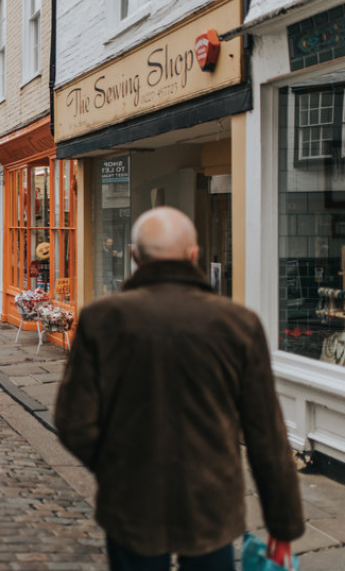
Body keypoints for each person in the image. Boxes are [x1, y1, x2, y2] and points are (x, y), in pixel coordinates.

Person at [54, 207, 304, 571]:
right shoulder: (237, 323)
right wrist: (283, 523)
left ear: (135, 256)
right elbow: (267, 435)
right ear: (194, 255)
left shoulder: (102, 318)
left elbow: (74, 420)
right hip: (211, 505)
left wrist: (115, 468)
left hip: (131, 502)